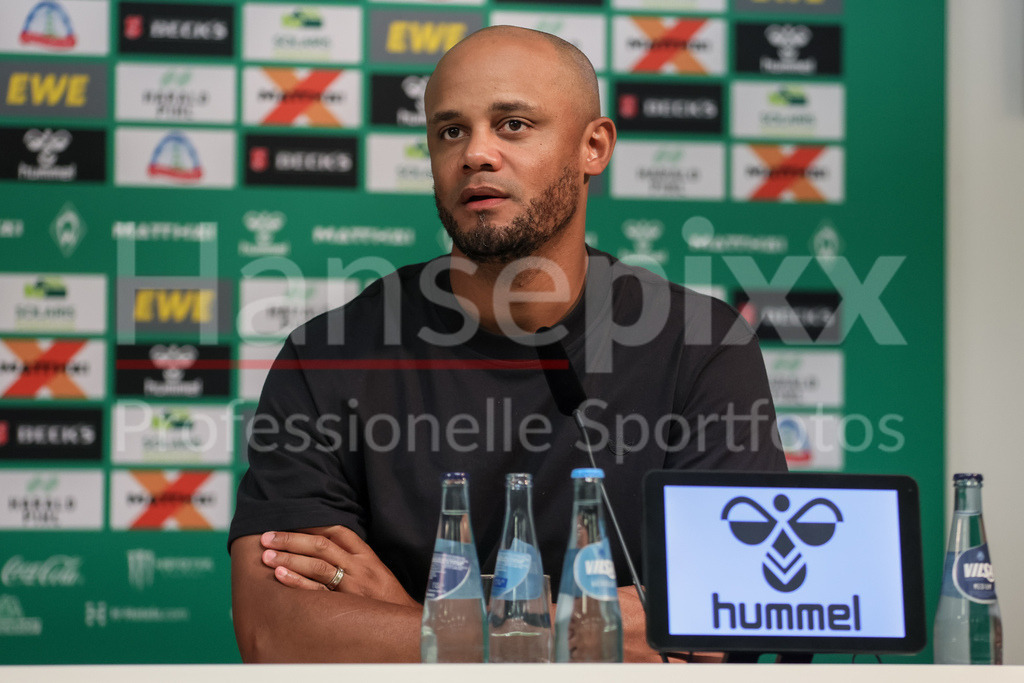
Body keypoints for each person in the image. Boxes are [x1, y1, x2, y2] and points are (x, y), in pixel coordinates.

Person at [229, 25, 786, 663]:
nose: (476, 154)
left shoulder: (700, 344)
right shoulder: (330, 354)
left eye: (514, 124)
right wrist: (571, 636)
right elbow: (275, 634)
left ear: (594, 146)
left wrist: (417, 623)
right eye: (450, 131)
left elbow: (723, 636)